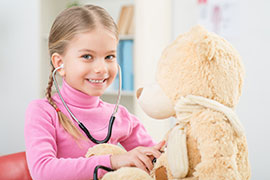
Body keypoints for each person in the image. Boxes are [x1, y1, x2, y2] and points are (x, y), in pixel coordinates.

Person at [24, 4, 164, 180]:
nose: (101, 68)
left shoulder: (121, 117)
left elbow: (157, 161)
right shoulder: (43, 112)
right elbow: (43, 171)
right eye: (87, 56)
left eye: (109, 57)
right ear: (59, 63)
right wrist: (113, 161)